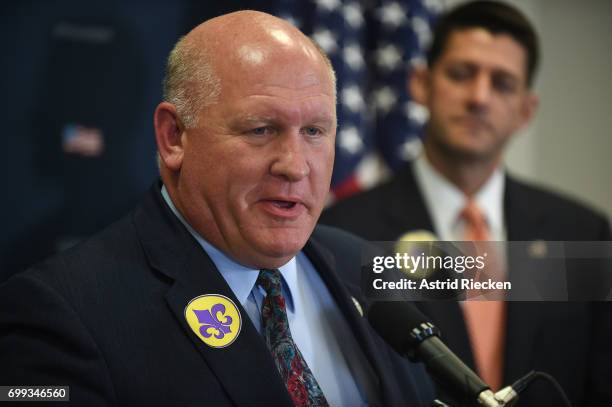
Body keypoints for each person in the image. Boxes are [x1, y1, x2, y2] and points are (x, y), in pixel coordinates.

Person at [0, 11, 435, 406]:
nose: (295, 165)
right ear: (174, 136)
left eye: (315, 131)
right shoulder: (60, 313)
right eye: (261, 129)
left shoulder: (365, 264)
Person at [321, 1, 612, 406]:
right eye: (461, 74)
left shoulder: (581, 232)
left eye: (502, 83)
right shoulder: (344, 232)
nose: (479, 97)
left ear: (526, 111)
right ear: (421, 84)